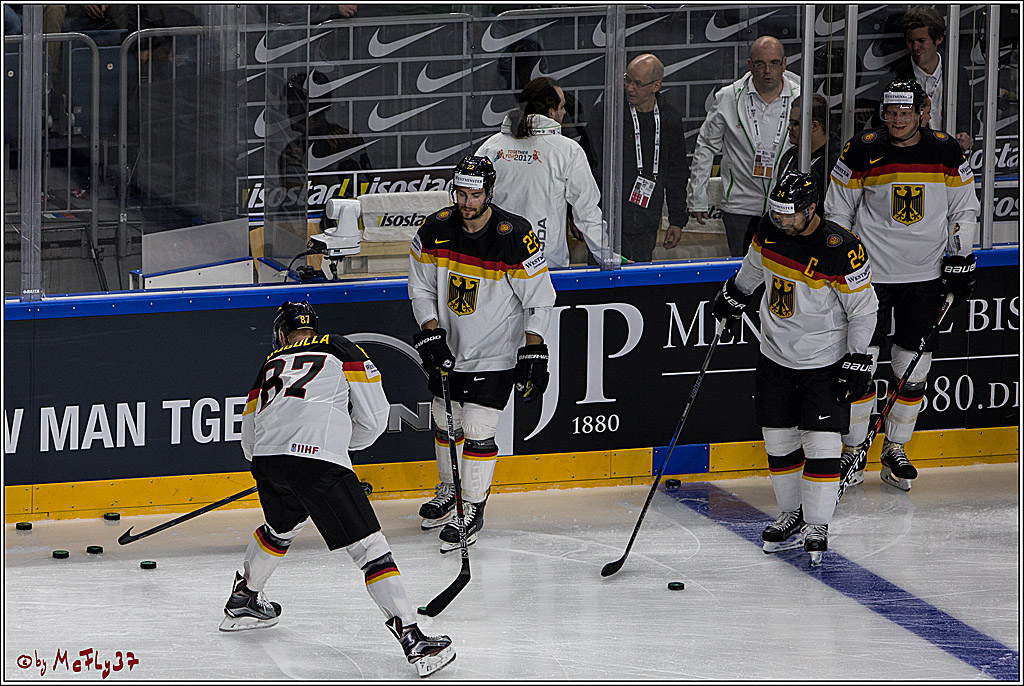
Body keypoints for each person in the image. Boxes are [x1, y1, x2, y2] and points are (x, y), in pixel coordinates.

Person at [224, 301, 456, 678]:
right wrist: (338, 447)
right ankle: (414, 639)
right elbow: (375, 418)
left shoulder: (268, 365)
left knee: (281, 529)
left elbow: (249, 439)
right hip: (319, 462)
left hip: (267, 462)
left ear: (282, 334)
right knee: (370, 549)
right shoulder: (340, 347)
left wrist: (276, 462)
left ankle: (244, 597)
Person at [711, 171, 878, 565]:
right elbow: (752, 271)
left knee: (821, 445)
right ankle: (791, 515)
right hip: (775, 357)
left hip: (823, 361)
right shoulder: (769, 231)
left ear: (811, 209)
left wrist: (857, 357)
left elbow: (864, 308)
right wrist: (734, 295)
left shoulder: (842, 248)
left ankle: (817, 523)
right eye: (777, 212)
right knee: (779, 442)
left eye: (789, 215)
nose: (781, 220)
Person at [825, 78, 980, 492]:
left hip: (924, 277)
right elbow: (837, 211)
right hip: (868, 280)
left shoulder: (947, 150)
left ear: (923, 112)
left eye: (906, 112)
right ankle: (851, 452)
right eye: (890, 112)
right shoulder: (861, 148)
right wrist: (839, 261)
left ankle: (895, 448)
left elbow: (964, 206)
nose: (897, 119)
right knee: (860, 364)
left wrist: (961, 255)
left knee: (914, 368)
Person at [408, 155, 555, 552]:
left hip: (496, 352)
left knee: (476, 429)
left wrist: (534, 349)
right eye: (461, 193)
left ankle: (472, 507)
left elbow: (540, 299)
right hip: (450, 348)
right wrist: (431, 332)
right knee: (444, 421)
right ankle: (448, 490)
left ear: (489, 192)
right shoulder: (435, 227)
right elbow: (420, 287)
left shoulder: (514, 233)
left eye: (475, 194)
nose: (467, 202)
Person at [476, 76, 615, 268]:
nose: (565, 112)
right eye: (562, 106)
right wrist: (607, 258)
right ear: (551, 112)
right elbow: (587, 212)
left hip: (496, 262)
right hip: (545, 265)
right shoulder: (567, 150)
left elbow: (471, 202)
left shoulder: (491, 146)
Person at [689, 36, 801, 257]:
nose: (767, 71)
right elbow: (705, 147)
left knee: (786, 274)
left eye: (774, 63)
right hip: (740, 206)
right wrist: (697, 198)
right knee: (744, 276)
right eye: (760, 64)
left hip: (788, 206)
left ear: (784, 64)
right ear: (750, 65)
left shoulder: (801, 97)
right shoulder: (729, 97)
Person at [582, 53, 690, 262]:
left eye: (637, 83)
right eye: (627, 80)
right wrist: (579, 215)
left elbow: (677, 174)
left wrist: (676, 220)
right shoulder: (608, 113)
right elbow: (587, 165)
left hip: (646, 220)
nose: (629, 88)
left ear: (655, 86)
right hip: (607, 219)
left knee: (637, 281)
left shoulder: (669, 119)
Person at [892, 6, 974, 151]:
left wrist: (965, 134)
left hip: (948, 160)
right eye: (910, 41)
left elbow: (969, 119)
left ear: (939, 39)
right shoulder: (896, 78)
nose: (915, 47)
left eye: (921, 40)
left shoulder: (958, 73)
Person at [774, 93, 842, 215]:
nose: (789, 128)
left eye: (795, 123)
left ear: (814, 126)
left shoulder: (838, 162)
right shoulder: (790, 156)